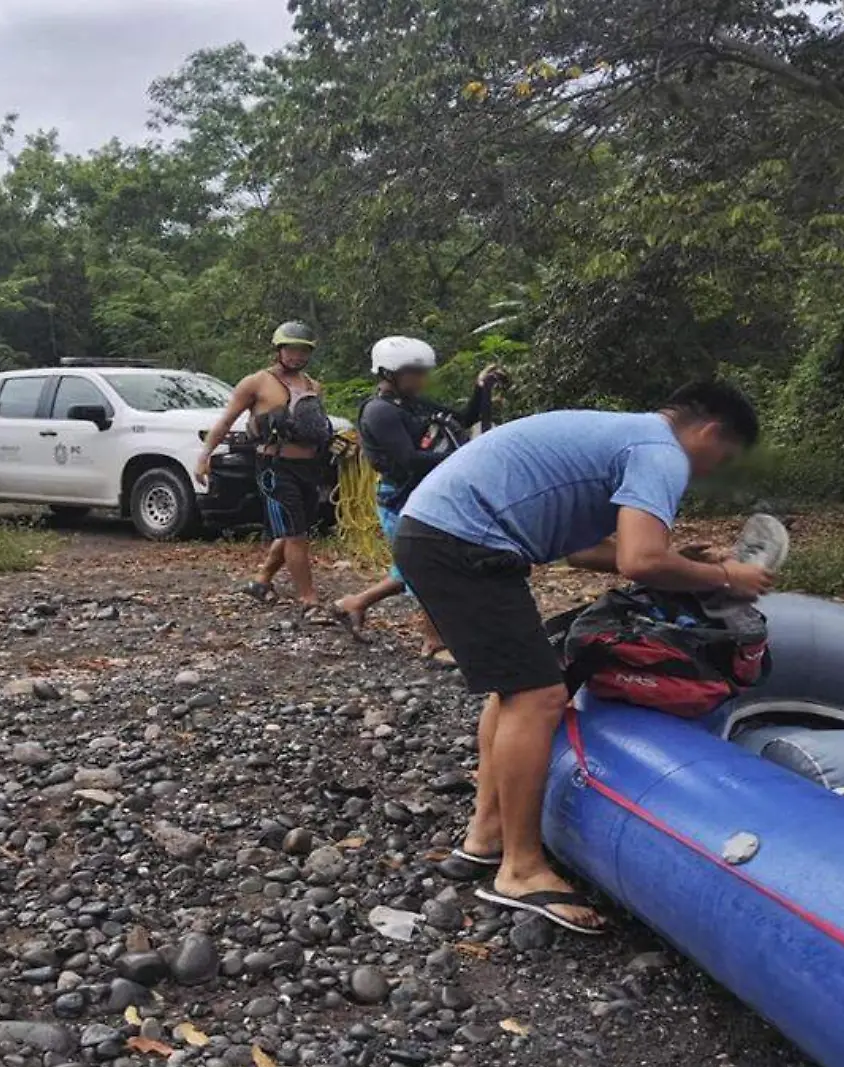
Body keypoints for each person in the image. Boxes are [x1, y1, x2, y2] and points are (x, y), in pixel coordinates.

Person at [393, 381, 774, 934]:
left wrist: (677, 559)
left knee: (518, 688)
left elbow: (583, 551)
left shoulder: (627, 435)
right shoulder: (660, 451)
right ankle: (520, 870)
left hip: (440, 533)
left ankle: (487, 835)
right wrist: (724, 575)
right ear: (711, 431)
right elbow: (642, 562)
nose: (713, 471)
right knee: (539, 696)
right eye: (724, 458)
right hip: (463, 540)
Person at [332, 336, 502, 661]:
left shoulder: (414, 404)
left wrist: (482, 388)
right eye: (414, 372)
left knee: (409, 568)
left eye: (423, 372)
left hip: (425, 495)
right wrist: (466, 458)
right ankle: (433, 642)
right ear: (389, 373)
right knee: (427, 566)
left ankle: (354, 604)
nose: (421, 379)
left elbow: (464, 419)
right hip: (401, 499)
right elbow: (407, 459)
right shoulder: (380, 412)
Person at [197, 321, 336, 611]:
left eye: (303, 352)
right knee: (295, 534)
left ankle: (262, 581)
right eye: (292, 350)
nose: (297, 357)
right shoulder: (256, 383)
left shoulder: (313, 386)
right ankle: (308, 599)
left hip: (308, 467)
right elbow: (225, 421)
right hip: (275, 467)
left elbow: (315, 427)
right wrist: (204, 456)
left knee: (294, 531)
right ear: (279, 350)